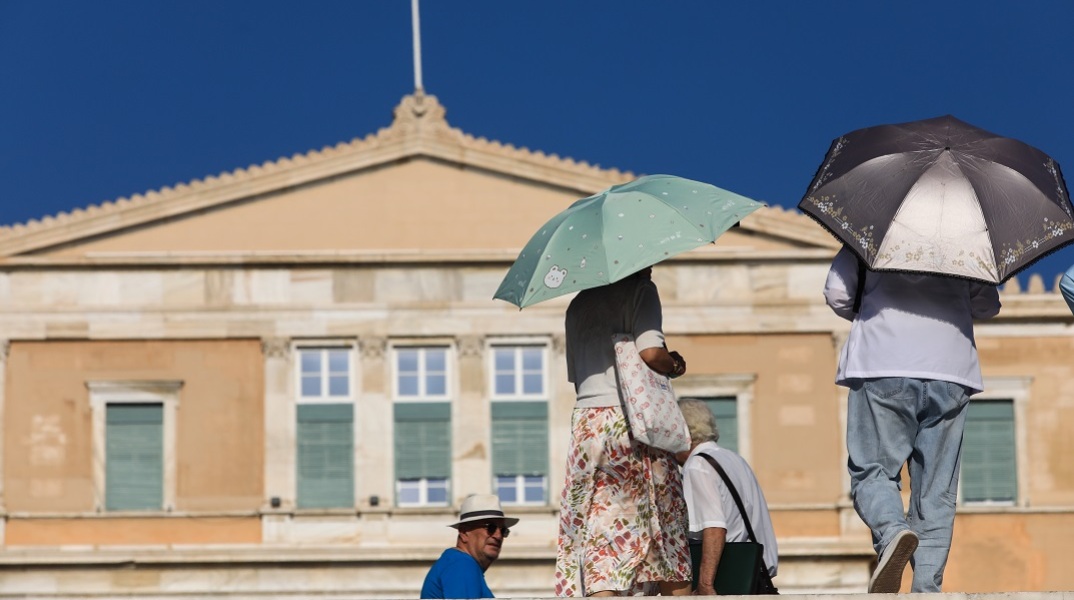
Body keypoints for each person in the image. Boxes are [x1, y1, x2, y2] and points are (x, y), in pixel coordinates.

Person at [823, 247, 1001, 593]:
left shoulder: (870, 233)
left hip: (882, 361)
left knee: (872, 471)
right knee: (936, 491)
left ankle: (892, 532)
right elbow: (987, 304)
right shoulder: (964, 238)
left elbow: (837, 293)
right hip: (951, 369)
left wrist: (870, 312)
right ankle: (926, 589)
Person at [554, 267, 692, 597]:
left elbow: (577, 377)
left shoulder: (578, 304)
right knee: (663, 521)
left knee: (600, 525)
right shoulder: (641, 291)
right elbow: (650, 352)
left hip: (588, 426)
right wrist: (674, 363)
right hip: (631, 420)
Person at [676, 398, 778, 596]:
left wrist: (705, 585)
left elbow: (714, 528)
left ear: (683, 434)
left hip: (724, 581)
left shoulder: (698, 466)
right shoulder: (734, 459)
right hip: (755, 576)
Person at [420, 494, 519, 599]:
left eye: (503, 531)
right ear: (464, 532)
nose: (498, 536)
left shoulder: (458, 563)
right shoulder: (462, 564)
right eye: (491, 528)